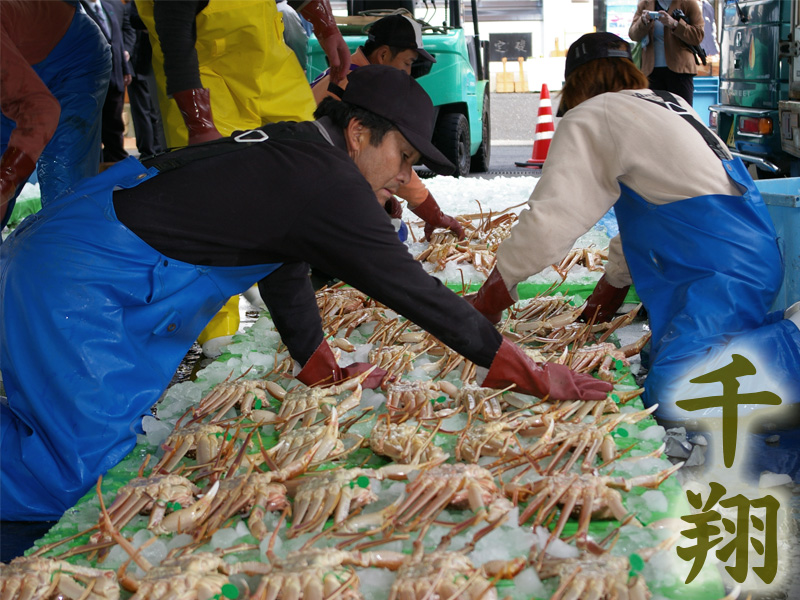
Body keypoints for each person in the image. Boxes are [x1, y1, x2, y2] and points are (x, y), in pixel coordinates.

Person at [0, 66, 611, 522]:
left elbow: (281, 252)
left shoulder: (301, 147)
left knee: (76, 422)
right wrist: (525, 369)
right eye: (401, 157)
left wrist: (318, 363)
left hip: (88, 250)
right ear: (358, 133)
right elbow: (413, 292)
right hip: (77, 277)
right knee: (73, 472)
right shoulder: (328, 181)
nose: (405, 178)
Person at [466, 33, 800, 427]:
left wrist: (491, 296)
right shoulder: (667, 104)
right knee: (658, 359)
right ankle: (780, 329)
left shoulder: (593, 114)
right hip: (743, 250)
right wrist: (609, 291)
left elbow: (552, 216)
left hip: (719, 269)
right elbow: (653, 214)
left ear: (575, 85)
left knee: (674, 393)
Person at [311, 14, 464, 242]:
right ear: (383, 55)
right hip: (311, 192)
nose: (409, 74)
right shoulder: (359, 88)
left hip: (310, 175)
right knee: (391, 231)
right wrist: (434, 214)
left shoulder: (349, 71)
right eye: (407, 63)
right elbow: (384, 159)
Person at [135, 0, 352, 148]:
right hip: (205, 87)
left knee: (313, 154)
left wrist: (327, 27)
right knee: (221, 182)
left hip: (273, 72)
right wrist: (199, 126)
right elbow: (176, 42)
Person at [0, 0, 111, 229]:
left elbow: (40, 110)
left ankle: (69, 254)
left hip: (74, 61)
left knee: (63, 182)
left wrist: (5, 179)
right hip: (21, 54)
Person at [81, 0, 133, 163]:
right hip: (91, 82)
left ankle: (116, 166)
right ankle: (96, 168)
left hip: (115, 76)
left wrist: (125, 69)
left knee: (114, 126)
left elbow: (118, 43)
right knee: (93, 130)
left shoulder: (112, 7)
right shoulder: (76, 9)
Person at [629, 1, 704, 104]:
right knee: (655, 115)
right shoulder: (645, 3)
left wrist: (674, 24)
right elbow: (633, 35)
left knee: (681, 114)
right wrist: (643, 21)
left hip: (680, 71)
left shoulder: (688, 3)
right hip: (651, 71)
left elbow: (698, 35)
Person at [123, 0, 166, 159]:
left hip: (159, 58)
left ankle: (157, 148)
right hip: (144, 61)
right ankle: (153, 150)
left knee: (155, 111)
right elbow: (135, 20)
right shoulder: (131, 7)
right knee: (148, 110)